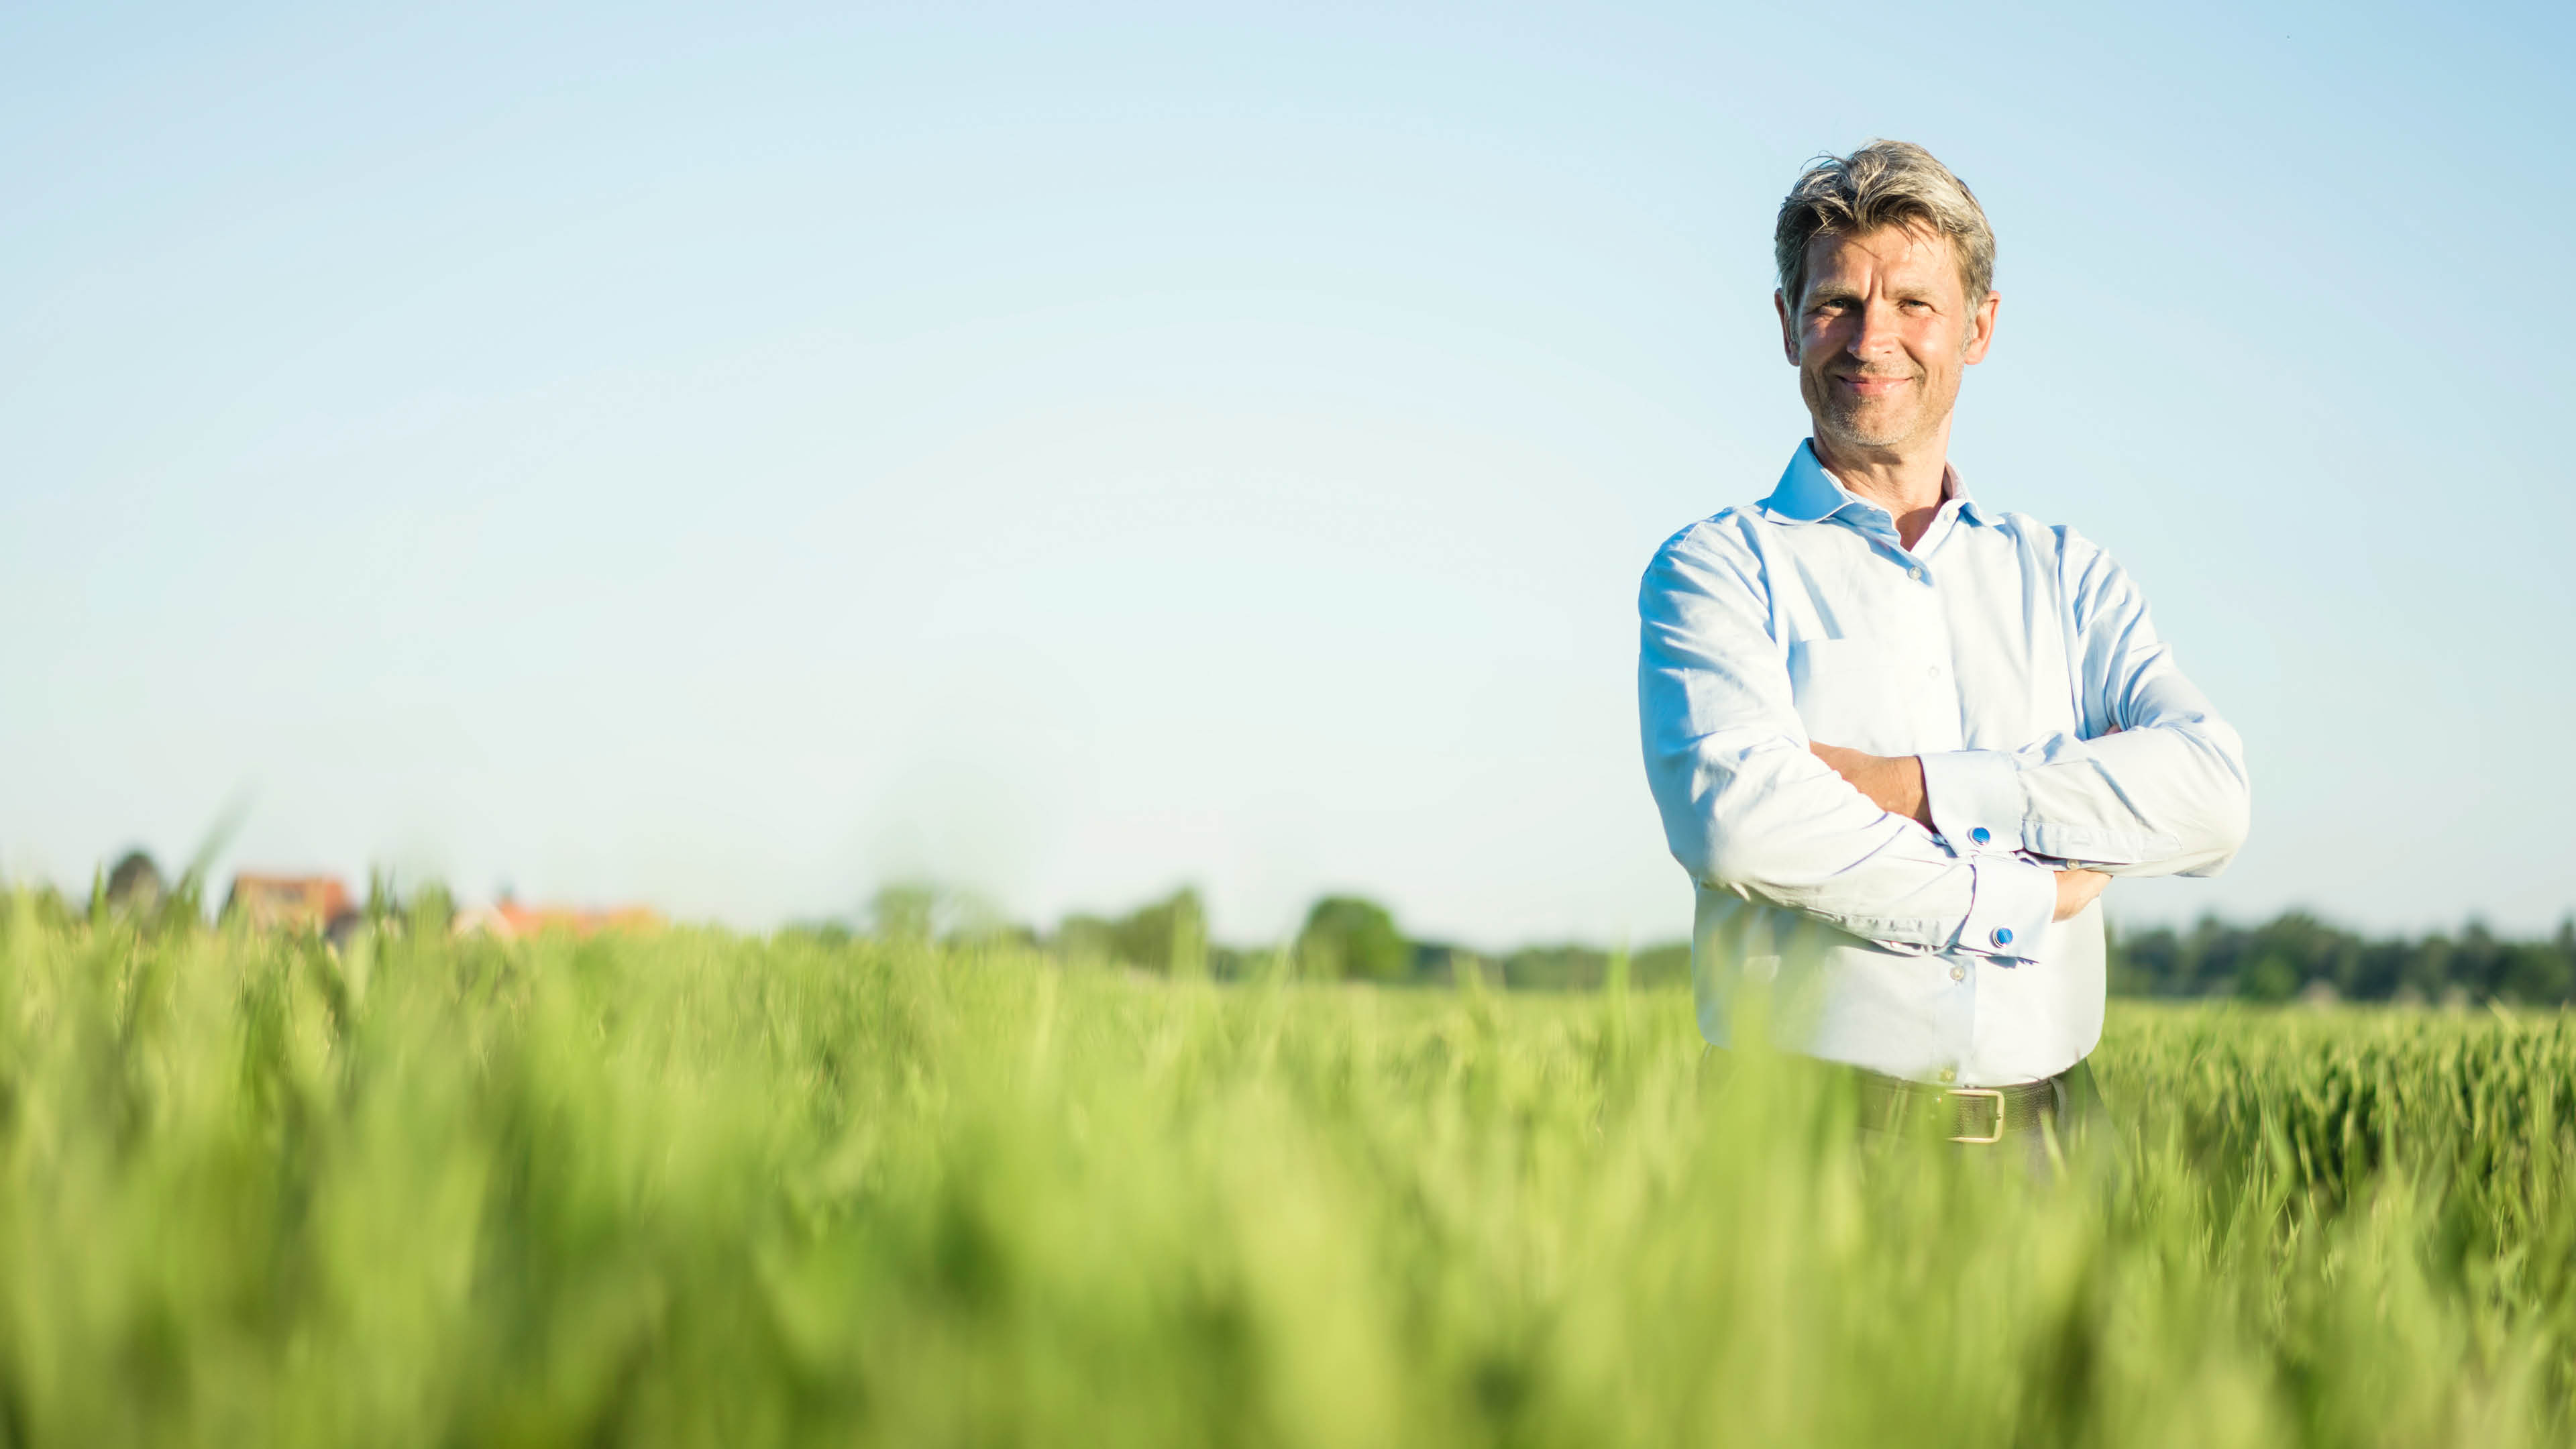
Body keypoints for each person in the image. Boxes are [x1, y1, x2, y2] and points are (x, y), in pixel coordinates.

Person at [1637, 141, 2249, 1152]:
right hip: (1794, 1145)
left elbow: (2210, 799)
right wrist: (2023, 893)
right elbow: (1742, 827)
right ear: (1787, 324)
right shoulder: (1716, 568)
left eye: (1915, 304)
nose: (1872, 337)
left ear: (1980, 326)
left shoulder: (2069, 576)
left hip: (2054, 1151)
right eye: (1837, 302)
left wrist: (1916, 787)